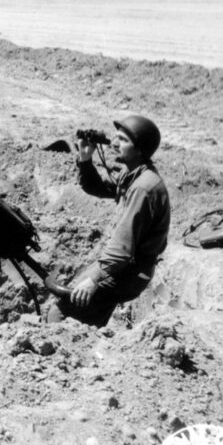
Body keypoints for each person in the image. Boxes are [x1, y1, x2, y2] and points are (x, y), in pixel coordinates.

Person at [47, 114, 170, 327]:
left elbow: (122, 248)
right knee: (89, 318)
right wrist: (86, 159)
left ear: (139, 149)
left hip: (130, 271)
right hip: (128, 268)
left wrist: (94, 279)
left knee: (60, 312)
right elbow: (98, 188)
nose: (114, 143)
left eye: (122, 140)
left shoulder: (143, 188)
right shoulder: (135, 173)